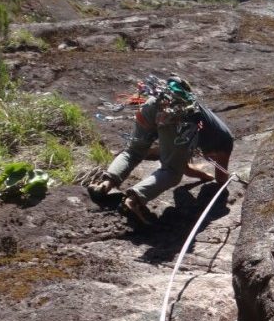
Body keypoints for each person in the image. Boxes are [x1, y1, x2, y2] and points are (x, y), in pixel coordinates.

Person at [88, 76, 234, 224]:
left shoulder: (201, 118)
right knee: (171, 172)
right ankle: (133, 200)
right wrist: (218, 179)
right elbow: (221, 179)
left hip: (151, 104)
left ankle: (105, 184)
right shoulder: (225, 141)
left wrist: (204, 176)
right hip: (175, 116)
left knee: (133, 151)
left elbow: (186, 168)